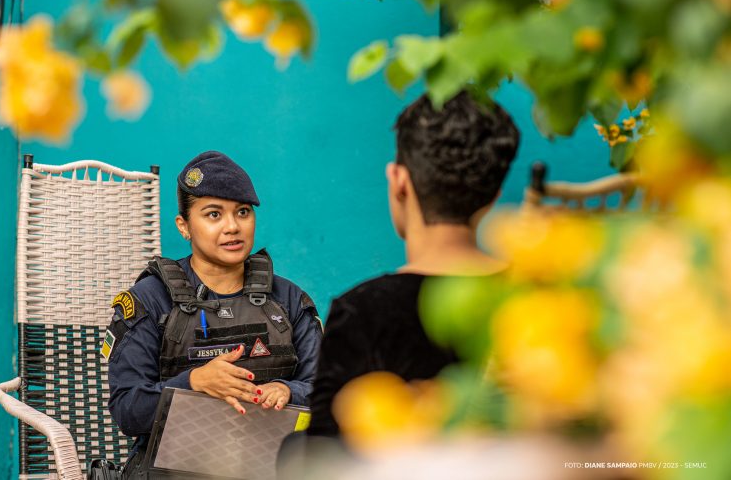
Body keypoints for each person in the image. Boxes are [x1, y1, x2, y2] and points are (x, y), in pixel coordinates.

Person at [306, 90, 520, 439]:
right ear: (492, 197)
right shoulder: (537, 301)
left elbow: (324, 459)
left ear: (399, 182)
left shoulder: (363, 312)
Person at [103, 151, 323, 476]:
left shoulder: (288, 300)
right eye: (213, 214)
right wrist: (194, 383)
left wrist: (290, 391)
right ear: (184, 226)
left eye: (243, 212)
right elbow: (127, 410)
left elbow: (329, 391)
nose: (232, 227)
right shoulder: (150, 301)